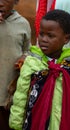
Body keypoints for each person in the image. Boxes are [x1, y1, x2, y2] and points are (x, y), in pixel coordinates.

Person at [9, 9, 70, 130]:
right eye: (41, 34)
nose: (43, 39)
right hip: (34, 123)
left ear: (66, 39)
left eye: (50, 36)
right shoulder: (32, 63)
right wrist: (16, 124)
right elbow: (20, 97)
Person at [0, 0, 31, 130]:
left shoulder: (22, 24)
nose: (0, 3)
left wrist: (24, 57)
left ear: (16, 1)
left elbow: (28, 50)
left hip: (7, 91)